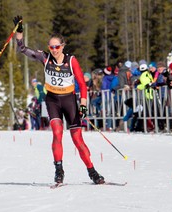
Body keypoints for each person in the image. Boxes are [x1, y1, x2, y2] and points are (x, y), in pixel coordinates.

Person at [13, 15, 104, 184]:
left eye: (57, 46)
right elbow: (23, 49)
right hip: (52, 100)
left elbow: (82, 86)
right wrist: (19, 32)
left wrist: (83, 105)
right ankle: (59, 170)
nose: (54, 49)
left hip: (69, 101)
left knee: (77, 139)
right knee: (57, 133)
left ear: (62, 46)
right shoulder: (44, 58)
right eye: (51, 46)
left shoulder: (71, 61)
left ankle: (92, 170)